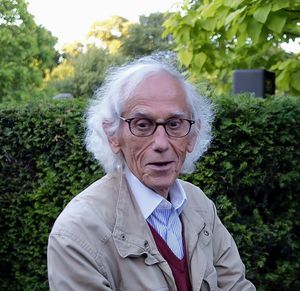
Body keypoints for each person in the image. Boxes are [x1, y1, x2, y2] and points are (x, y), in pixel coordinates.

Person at [47, 54, 256, 290]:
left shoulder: (199, 204)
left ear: (193, 135)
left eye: (174, 124)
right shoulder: (78, 233)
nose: (161, 143)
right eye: (142, 125)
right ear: (113, 135)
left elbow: (236, 285)